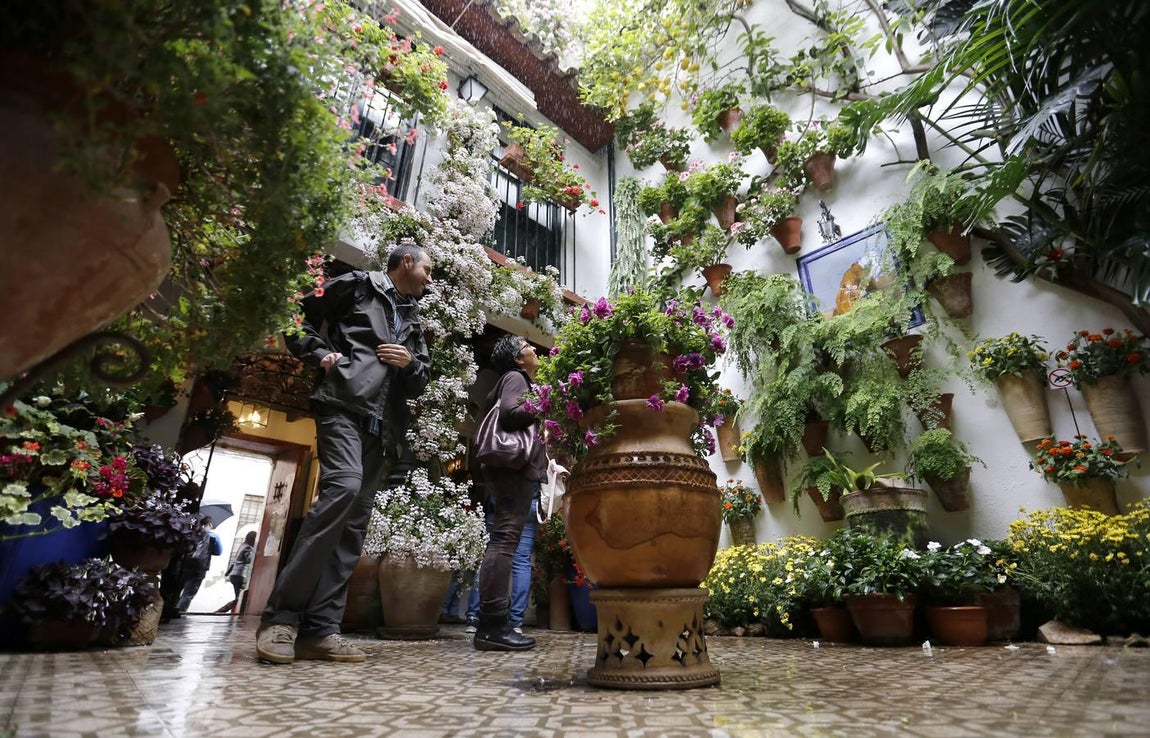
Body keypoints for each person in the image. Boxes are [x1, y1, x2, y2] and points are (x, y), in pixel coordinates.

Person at [255, 243, 433, 664]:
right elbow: (296, 317)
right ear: (406, 262)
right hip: (343, 405)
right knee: (343, 489)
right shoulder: (357, 287)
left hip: (383, 427)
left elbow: (421, 379)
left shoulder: (413, 320)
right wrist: (320, 354)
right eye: (428, 268)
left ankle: (321, 630)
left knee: (353, 524)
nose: (431, 277)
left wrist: (410, 364)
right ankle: (280, 619)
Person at [472, 335, 544, 651]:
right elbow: (511, 415)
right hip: (514, 469)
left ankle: (491, 624)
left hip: (508, 470)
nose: (534, 350)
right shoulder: (516, 378)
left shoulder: (510, 379)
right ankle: (493, 626)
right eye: (528, 346)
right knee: (505, 540)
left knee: (503, 539)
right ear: (518, 359)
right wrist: (548, 401)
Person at [177, 517, 222, 613]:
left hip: (184, 564)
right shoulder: (213, 536)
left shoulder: (191, 533)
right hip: (200, 567)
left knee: (177, 589)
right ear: (209, 524)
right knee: (188, 593)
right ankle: (180, 611)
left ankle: (170, 610)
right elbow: (218, 552)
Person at [218, 530, 258, 614]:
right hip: (240, 575)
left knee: (238, 596)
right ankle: (224, 610)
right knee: (240, 597)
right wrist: (256, 552)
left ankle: (228, 610)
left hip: (234, 575)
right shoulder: (248, 548)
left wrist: (227, 573)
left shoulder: (242, 546)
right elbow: (249, 560)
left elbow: (234, 561)